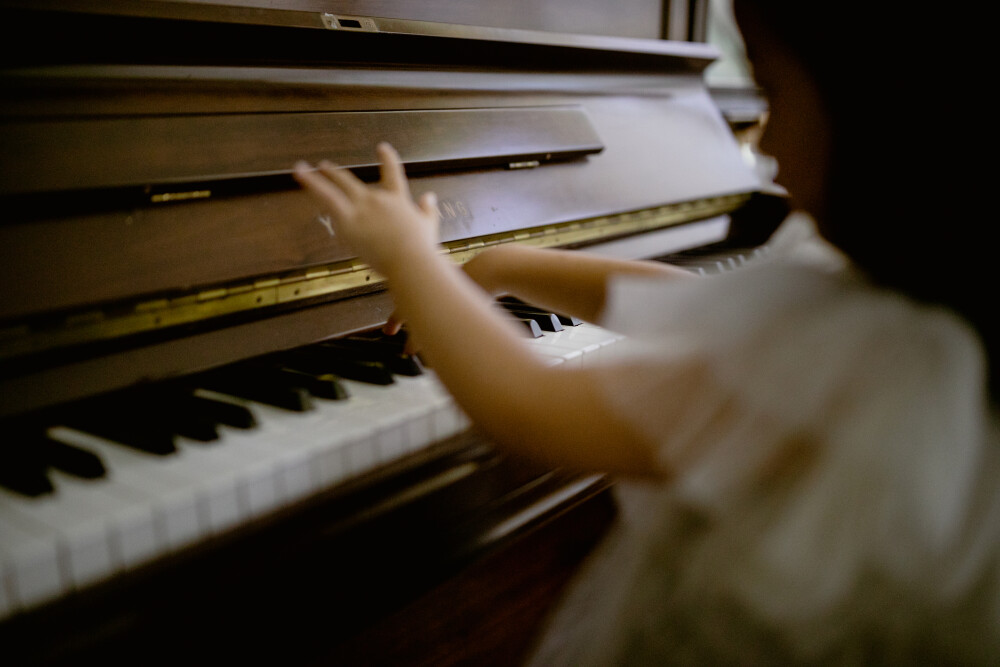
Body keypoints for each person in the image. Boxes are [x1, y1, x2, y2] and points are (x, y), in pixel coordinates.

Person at [293, 1, 999, 662]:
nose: (763, 140)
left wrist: (413, 261)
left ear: (886, 124)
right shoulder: (930, 324)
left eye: (772, 95)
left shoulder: (872, 374)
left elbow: (531, 406)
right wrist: (506, 263)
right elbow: (705, 307)